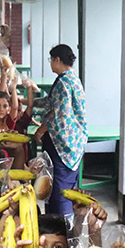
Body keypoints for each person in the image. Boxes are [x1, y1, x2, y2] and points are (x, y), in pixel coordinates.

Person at [34, 44, 87, 218]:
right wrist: (28, 101)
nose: (51, 63)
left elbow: (59, 114)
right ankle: (55, 226)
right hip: (74, 142)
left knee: (61, 191)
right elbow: (51, 102)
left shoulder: (64, 83)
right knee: (63, 187)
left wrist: (41, 130)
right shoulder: (72, 79)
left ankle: (65, 230)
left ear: (57, 59)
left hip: (63, 144)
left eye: (51, 60)